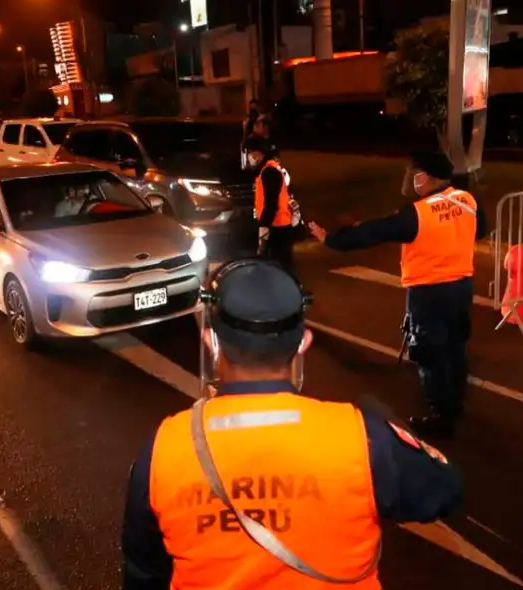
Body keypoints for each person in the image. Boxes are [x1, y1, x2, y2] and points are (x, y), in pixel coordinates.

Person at [121, 259, 461, 589]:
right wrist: (383, 417)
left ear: (211, 342)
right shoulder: (360, 436)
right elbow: (442, 491)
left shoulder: (164, 447)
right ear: (303, 343)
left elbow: (143, 571)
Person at [308, 150, 487, 437]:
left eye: (414, 173)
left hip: (429, 293)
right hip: (462, 289)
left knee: (431, 355)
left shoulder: (418, 213)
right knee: (455, 348)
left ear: (425, 177)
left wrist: (331, 239)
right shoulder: (466, 200)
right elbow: (481, 229)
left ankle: (441, 416)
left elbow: (373, 233)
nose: (410, 179)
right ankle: (455, 403)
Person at [246, 137, 299, 271]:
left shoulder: (269, 172)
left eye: (251, 153)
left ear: (259, 154)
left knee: (279, 269)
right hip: (278, 227)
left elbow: (271, 204)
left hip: (278, 228)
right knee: (280, 267)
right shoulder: (268, 170)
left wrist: (264, 226)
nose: (249, 157)